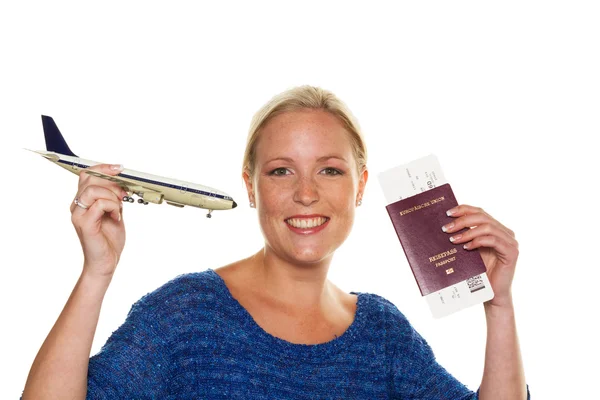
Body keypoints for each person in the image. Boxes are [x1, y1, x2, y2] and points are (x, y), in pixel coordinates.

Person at [22, 85, 530, 399]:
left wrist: (499, 305)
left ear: (359, 187)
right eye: (281, 170)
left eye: (329, 170)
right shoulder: (184, 315)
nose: (306, 194)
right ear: (251, 187)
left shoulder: (382, 335)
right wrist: (97, 273)